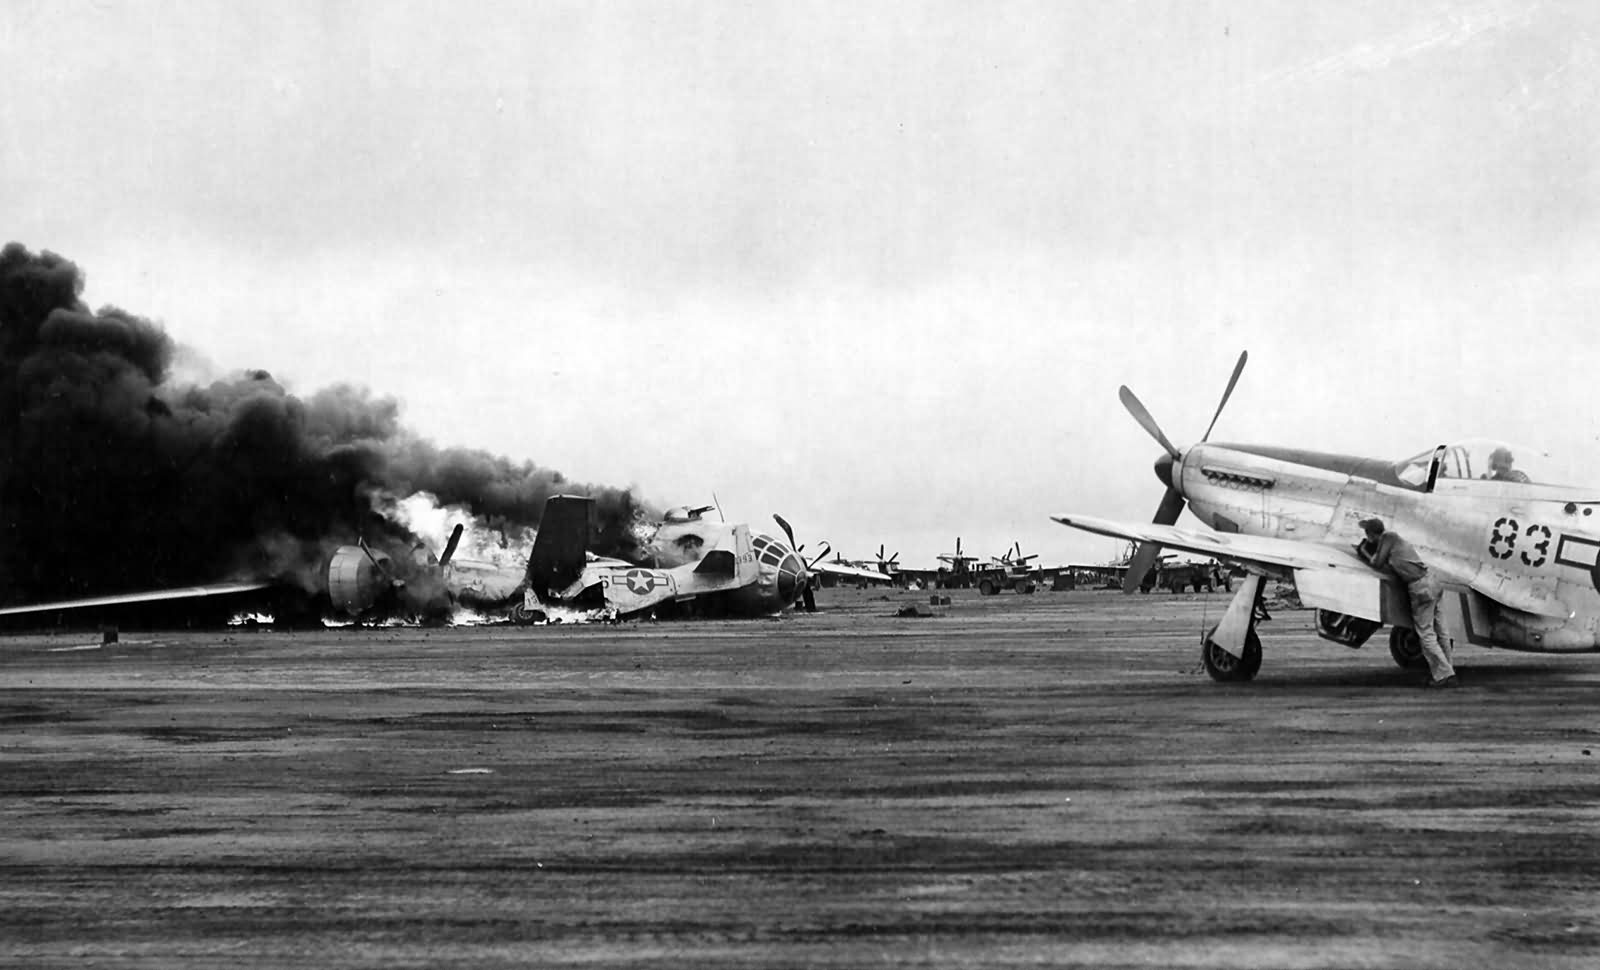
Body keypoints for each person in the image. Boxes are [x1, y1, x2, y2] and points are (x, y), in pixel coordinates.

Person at [1356, 518, 1459, 688]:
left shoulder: (1388, 539)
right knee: (1441, 631)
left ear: (1371, 534)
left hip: (1420, 588)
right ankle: (1447, 670)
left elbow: (1376, 563)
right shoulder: (1394, 540)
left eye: (1367, 534)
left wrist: (1363, 550)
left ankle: (1444, 675)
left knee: (1426, 635)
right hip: (1432, 581)